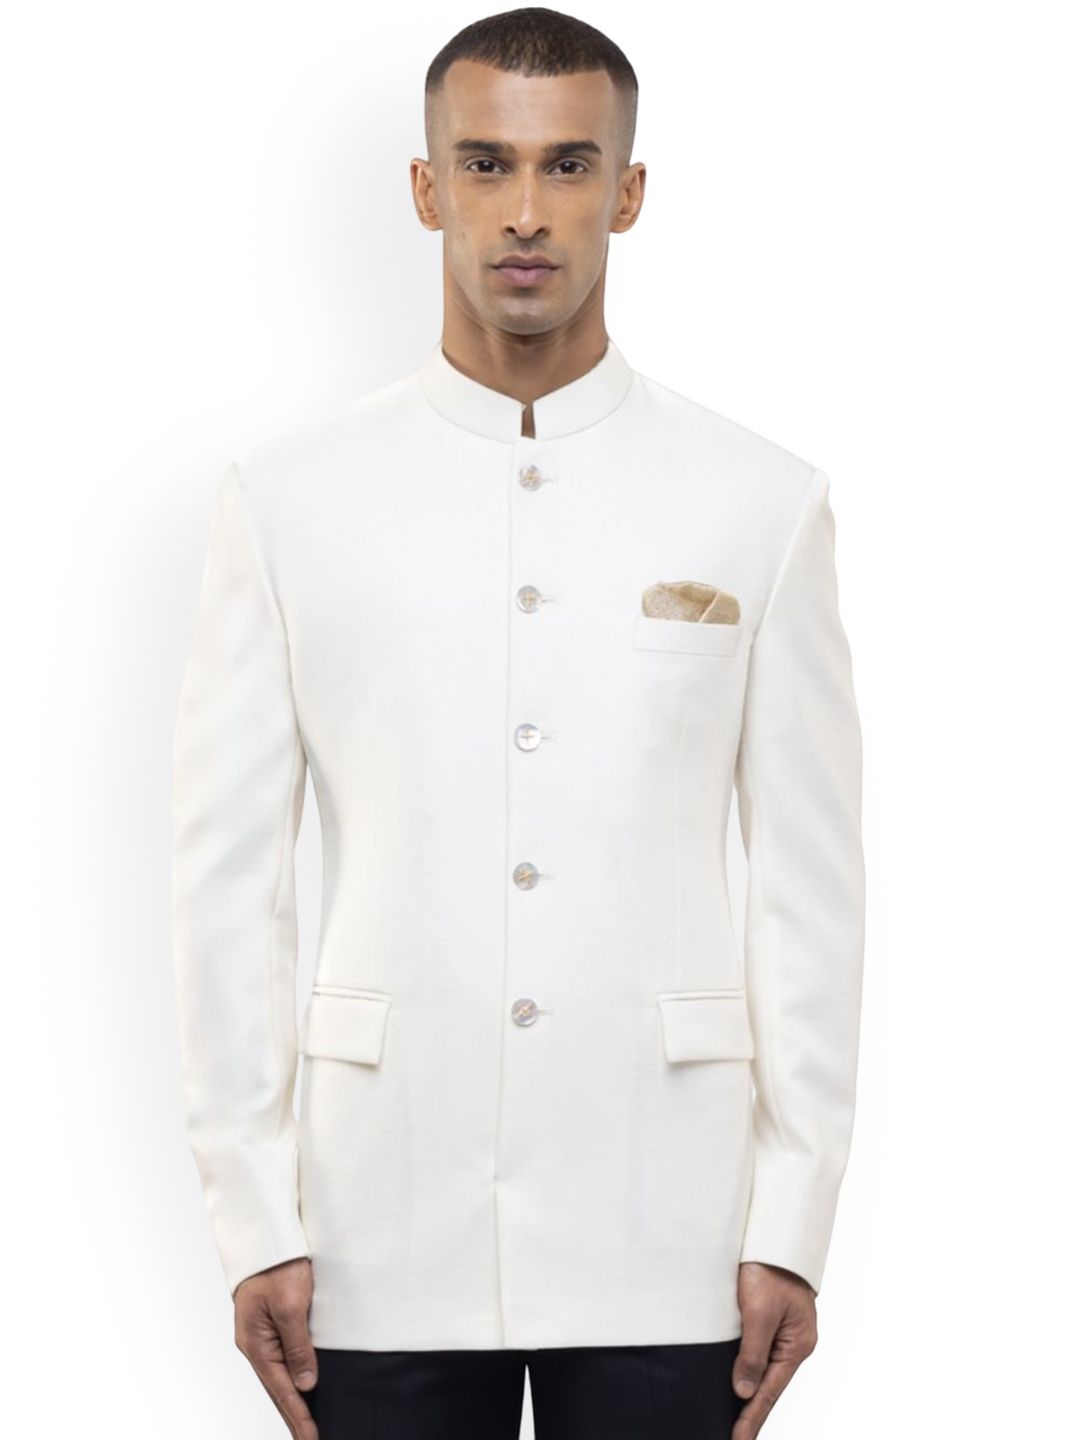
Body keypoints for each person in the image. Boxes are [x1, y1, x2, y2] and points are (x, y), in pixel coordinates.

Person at [171, 8, 866, 1439]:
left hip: (672, 1219)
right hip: (373, 1217)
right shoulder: (289, 501)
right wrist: (253, 1211)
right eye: (486, 164)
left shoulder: (759, 501)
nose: (527, 211)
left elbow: (808, 891)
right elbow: (230, 886)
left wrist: (794, 1215)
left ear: (630, 191)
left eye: (568, 165)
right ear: (427, 189)